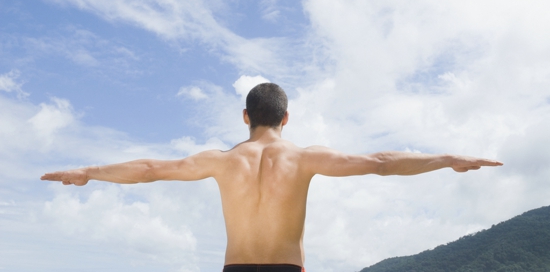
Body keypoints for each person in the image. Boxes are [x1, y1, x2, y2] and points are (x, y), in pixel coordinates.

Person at [41, 83, 503, 272]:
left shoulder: (221, 161)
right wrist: (446, 158)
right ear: (287, 119)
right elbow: (380, 161)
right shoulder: (303, 158)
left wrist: (88, 173)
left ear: (245, 116)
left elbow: (147, 170)